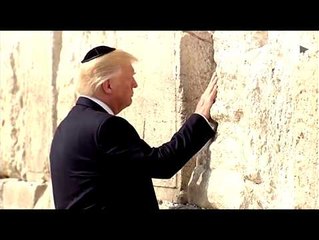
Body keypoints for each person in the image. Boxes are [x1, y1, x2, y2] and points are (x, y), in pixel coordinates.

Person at [49, 45, 219, 211]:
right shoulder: (106, 127)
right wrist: (200, 117)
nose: (135, 84)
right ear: (108, 85)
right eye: (130, 77)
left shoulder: (65, 127)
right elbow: (162, 164)